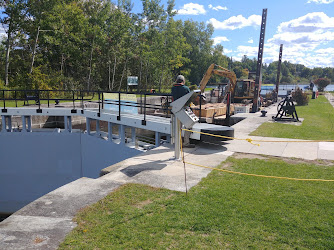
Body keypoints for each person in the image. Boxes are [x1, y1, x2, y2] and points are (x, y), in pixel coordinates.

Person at [171, 75, 195, 148]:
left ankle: (178, 142)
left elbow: (173, 99)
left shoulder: (173, 89)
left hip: (176, 110)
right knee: (189, 125)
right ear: (183, 81)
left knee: (178, 127)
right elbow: (189, 100)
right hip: (184, 110)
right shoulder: (186, 88)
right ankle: (186, 142)